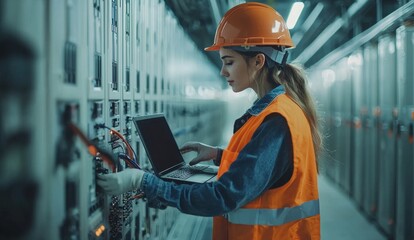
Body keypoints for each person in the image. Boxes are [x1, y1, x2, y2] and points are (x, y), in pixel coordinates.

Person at [97, 2, 322, 239]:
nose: (223, 72)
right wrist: (218, 155)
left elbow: (223, 197)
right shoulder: (280, 110)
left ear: (258, 61)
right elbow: (262, 170)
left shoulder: (277, 120)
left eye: (229, 62)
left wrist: (143, 181)